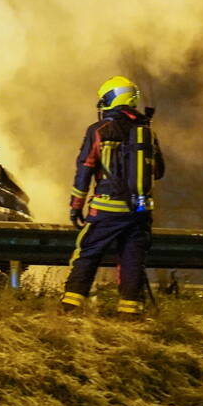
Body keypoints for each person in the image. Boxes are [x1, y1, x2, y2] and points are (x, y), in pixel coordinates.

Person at [61, 76, 165, 317]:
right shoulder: (147, 131)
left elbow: (84, 169)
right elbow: (158, 172)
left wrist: (76, 207)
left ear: (111, 98)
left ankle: (70, 309)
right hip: (140, 211)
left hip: (106, 209)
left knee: (87, 253)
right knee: (132, 260)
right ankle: (131, 314)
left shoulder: (98, 131)